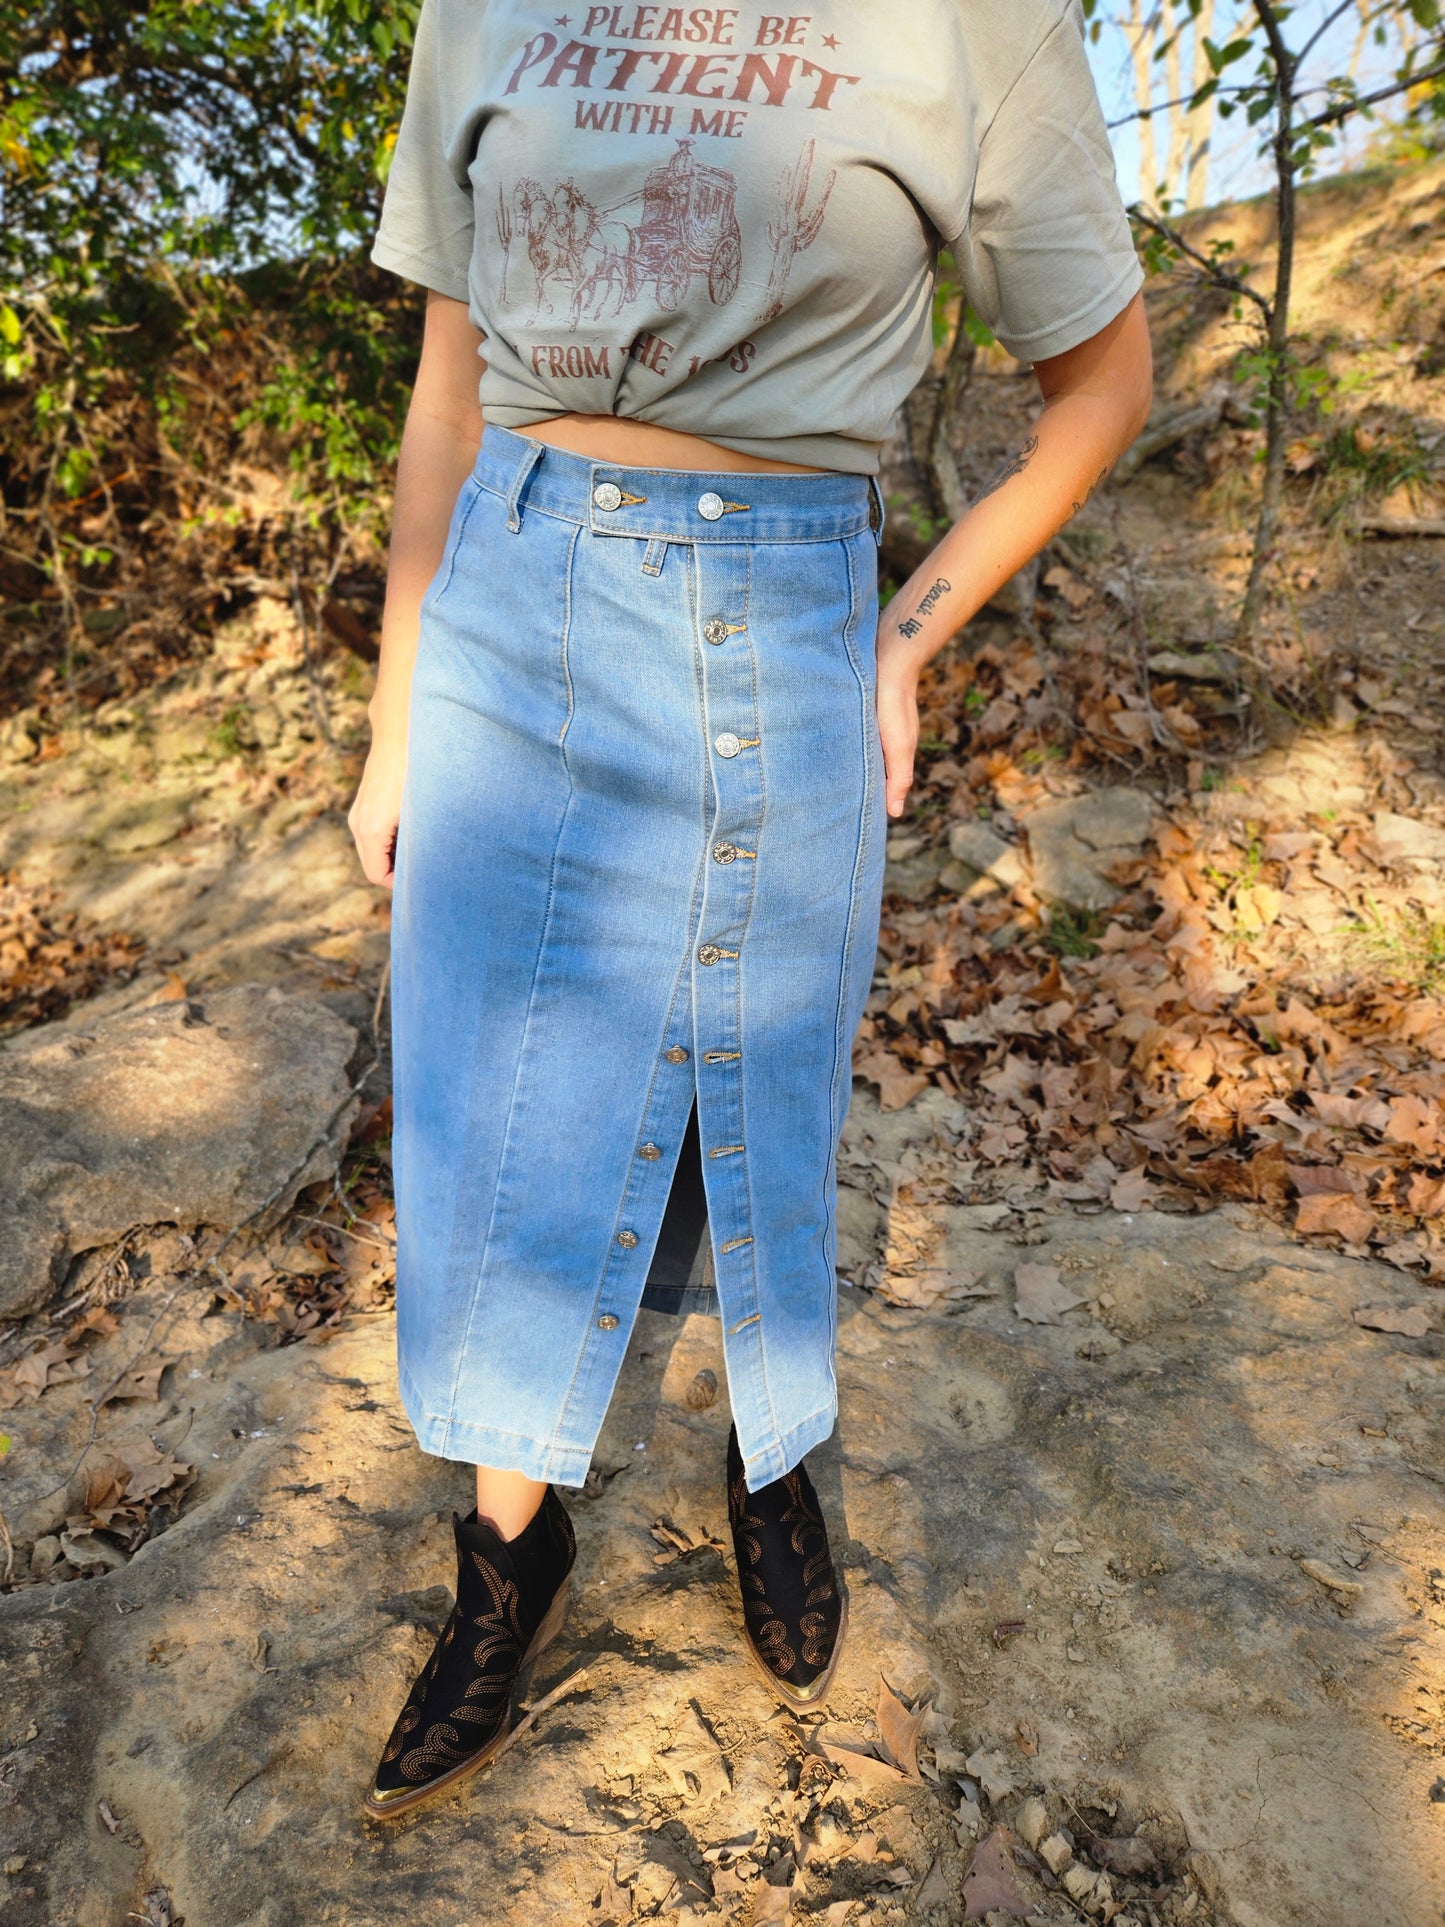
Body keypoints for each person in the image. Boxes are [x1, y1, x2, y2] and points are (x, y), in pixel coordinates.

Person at [349, 0, 1152, 1818]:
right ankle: (506, 1555)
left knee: (755, 1092)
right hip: (512, 606)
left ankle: (770, 1459)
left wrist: (902, 629)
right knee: (495, 1099)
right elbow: (447, 391)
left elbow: (1097, 386)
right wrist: (398, 711)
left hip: (777, 611)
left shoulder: (976, 22)